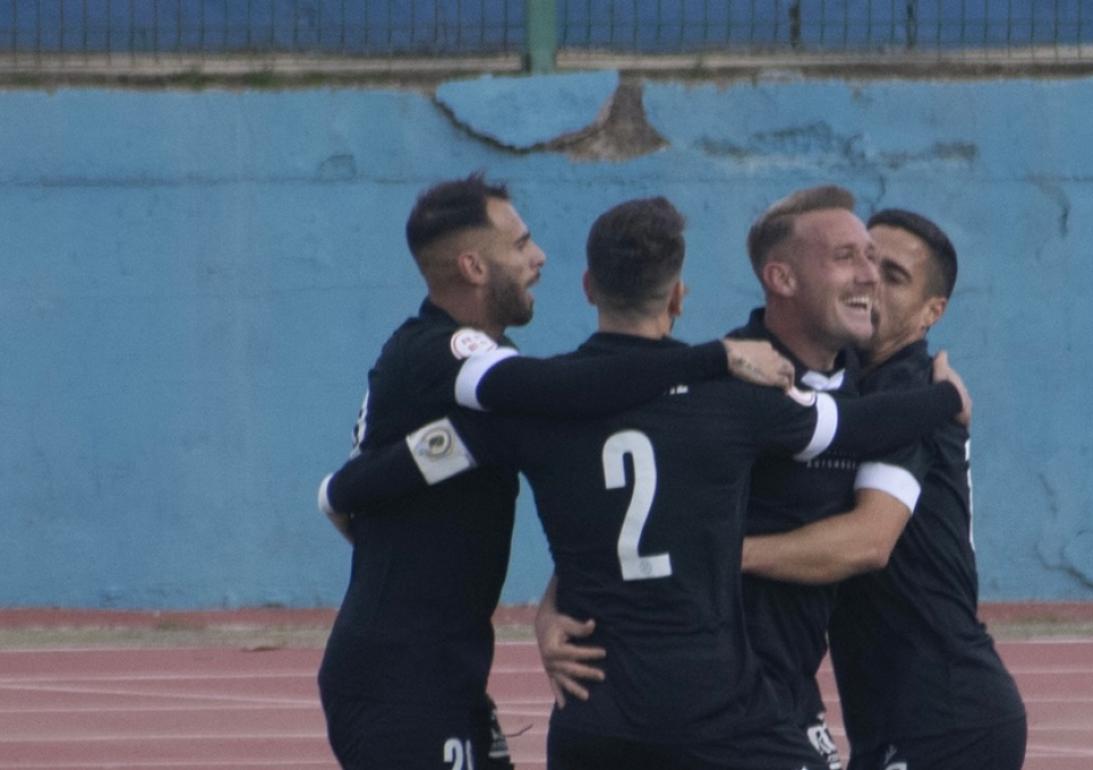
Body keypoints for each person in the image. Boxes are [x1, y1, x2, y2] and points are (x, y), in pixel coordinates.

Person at [321, 197, 970, 769]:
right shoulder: (733, 398)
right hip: (715, 705)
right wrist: (944, 403)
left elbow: (422, 461)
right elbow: (850, 426)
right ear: (679, 296)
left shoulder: (540, 411)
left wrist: (341, 492)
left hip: (593, 708)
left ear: (588, 288)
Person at [748, 210, 1027, 769]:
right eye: (865, 260)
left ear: (932, 313)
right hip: (888, 714)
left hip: (949, 714)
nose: (871, 279)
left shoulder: (913, 391)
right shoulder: (843, 377)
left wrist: (723, 553)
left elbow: (867, 543)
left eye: (894, 275)